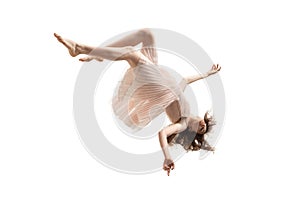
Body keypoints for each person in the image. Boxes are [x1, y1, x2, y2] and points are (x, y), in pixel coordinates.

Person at [54, 29, 221, 176]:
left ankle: (80, 49)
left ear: (191, 132)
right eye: (204, 125)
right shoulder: (187, 108)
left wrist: (167, 157)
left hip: (152, 84)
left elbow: (162, 134)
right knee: (146, 35)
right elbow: (184, 81)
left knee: (129, 53)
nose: (202, 125)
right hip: (158, 75)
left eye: (200, 130)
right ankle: (98, 54)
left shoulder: (182, 124)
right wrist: (207, 74)